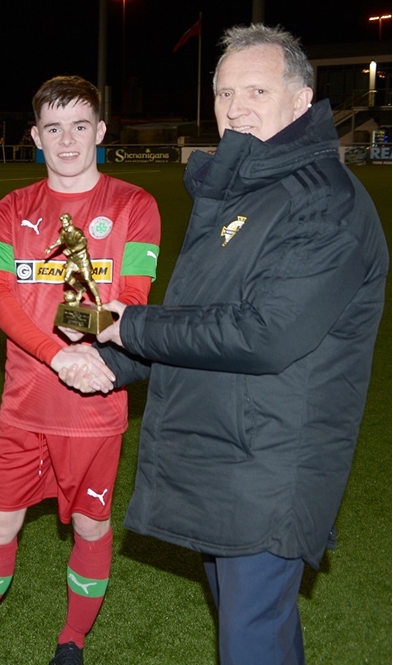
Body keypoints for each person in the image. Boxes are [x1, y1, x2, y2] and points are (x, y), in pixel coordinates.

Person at [87, 25, 387, 665]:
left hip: (270, 464)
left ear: (302, 100)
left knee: (250, 639)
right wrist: (109, 359)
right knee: (257, 633)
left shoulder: (322, 203)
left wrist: (131, 326)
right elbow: (202, 321)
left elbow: (264, 334)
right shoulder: (243, 189)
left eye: (257, 89)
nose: (236, 107)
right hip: (227, 450)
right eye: (225, 93)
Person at [0, 75, 160, 665]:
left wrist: (79, 322)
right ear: (34, 136)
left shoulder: (133, 206)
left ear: (99, 131)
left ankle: (70, 645)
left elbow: (131, 300)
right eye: (53, 128)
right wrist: (57, 352)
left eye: (78, 126)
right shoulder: (13, 208)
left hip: (93, 409)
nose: (66, 140)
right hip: (23, 404)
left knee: (93, 530)